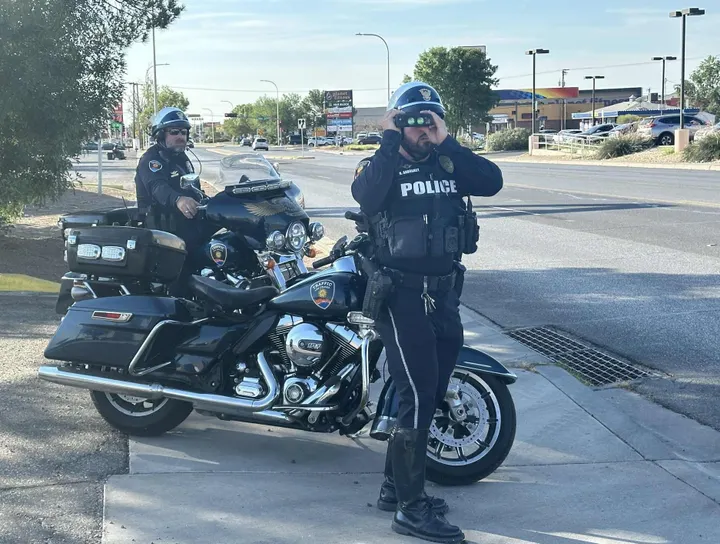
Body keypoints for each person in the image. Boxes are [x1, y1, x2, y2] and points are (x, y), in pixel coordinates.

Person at [351, 82, 503, 543]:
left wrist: (447, 140)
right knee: (416, 393)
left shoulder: (449, 162)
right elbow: (365, 195)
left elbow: (492, 181)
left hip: (443, 294)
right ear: (397, 123)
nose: (420, 128)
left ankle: (395, 488)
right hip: (400, 296)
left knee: (432, 389)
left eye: (428, 118)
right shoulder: (382, 163)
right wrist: (388, 140)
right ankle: (411, 511)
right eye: (411, 119)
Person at [134, 107, 203, 295]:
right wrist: (179, 200)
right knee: (180, 280)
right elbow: (158, 188)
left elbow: (195, 189)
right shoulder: (152, 160)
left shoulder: (182, 159)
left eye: (183, 132)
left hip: (186, 226)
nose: (180, 136)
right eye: (174, 132)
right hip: (163, 231)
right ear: (160, 134)